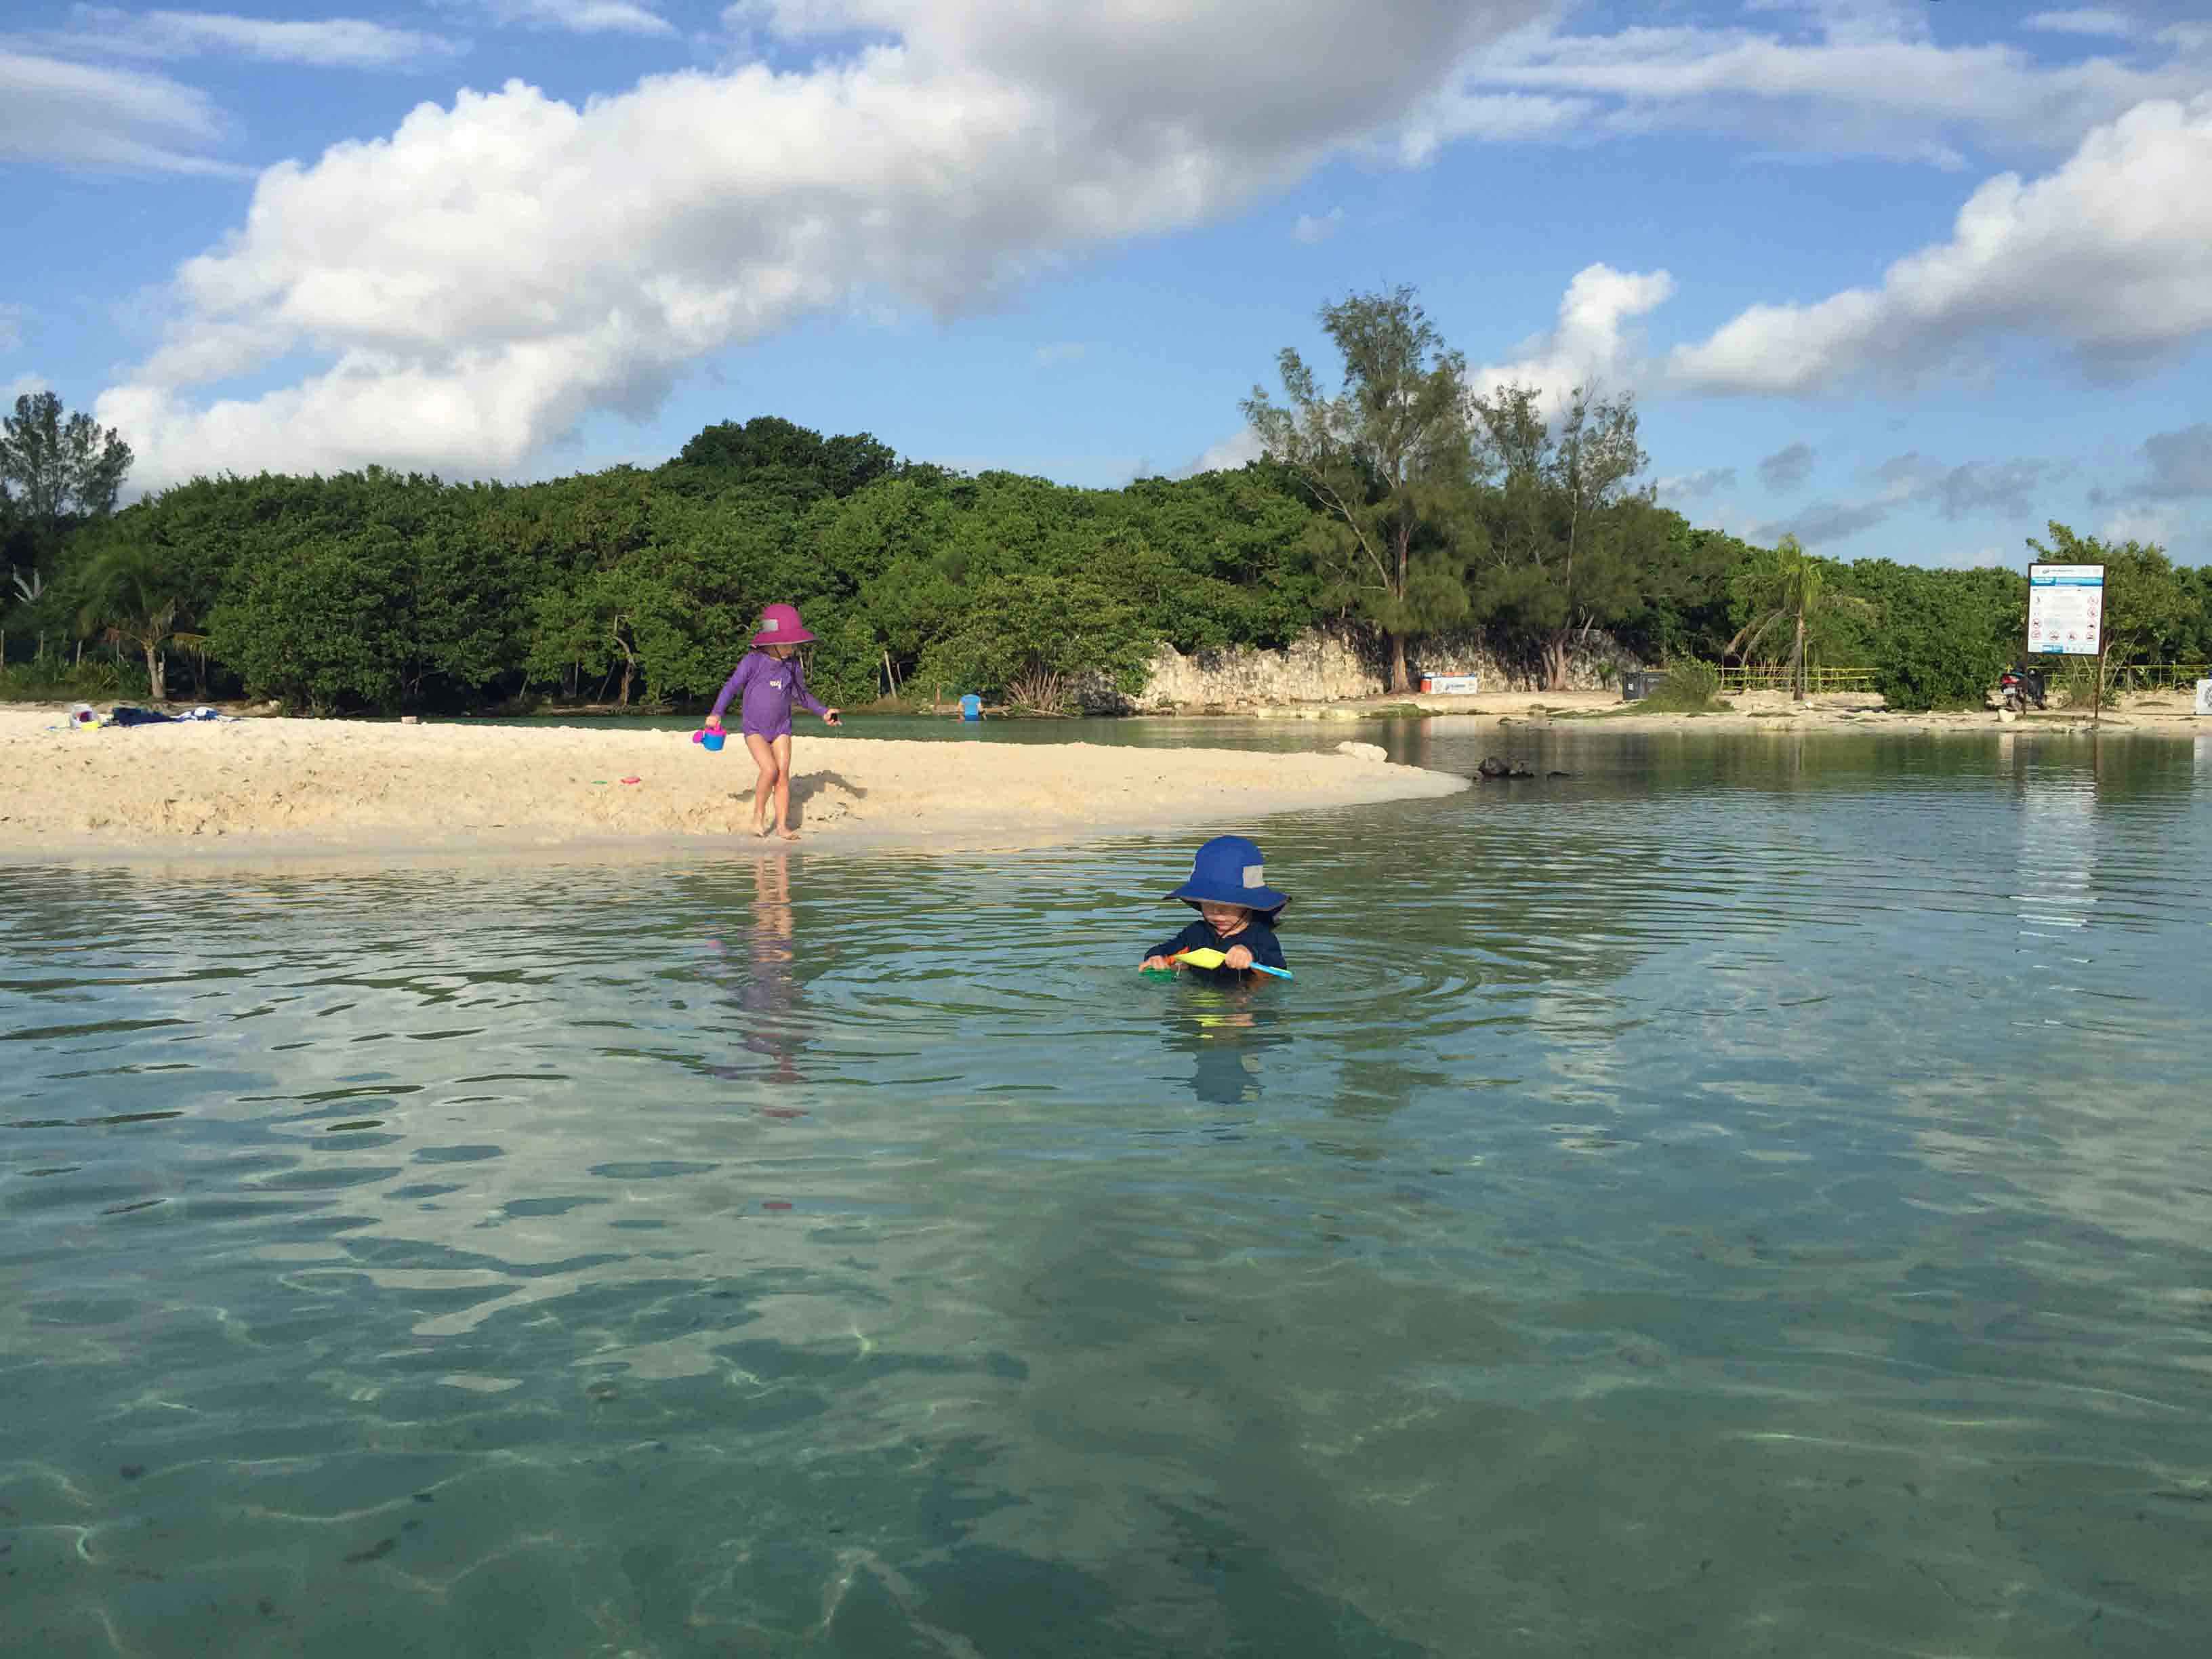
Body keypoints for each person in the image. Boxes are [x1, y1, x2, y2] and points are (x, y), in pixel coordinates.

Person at [703, 603, 841, 840]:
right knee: (770, 769)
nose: (793, 647)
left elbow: (802, 695)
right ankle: (758, 816)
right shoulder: (752, 662)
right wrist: (717, 713)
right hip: (754, 728)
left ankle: (782, 827)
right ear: (771, 641)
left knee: (783, 773)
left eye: (794, 642)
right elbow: (731, 687)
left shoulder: (792, 666)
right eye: (788, 642)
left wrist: (824, 712)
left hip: (781, 727)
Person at [1140, 834, 1290, 983]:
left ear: (1249, 905)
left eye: (1228, 906)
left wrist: (1250, 954)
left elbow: (1278, 968)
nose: (1218, 913)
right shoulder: (1196, 933)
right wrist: (1156, 958)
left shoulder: (1261, 936)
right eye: (1209, 905)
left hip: (1245, 1003)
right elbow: (1165, 950)